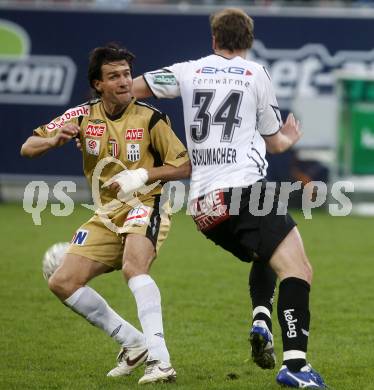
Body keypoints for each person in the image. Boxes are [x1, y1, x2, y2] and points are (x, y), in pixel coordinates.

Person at [129, 8, 326, 388]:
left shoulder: (188, 71)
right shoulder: (255, 73)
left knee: (268, 252)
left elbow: (133, 88)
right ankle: (296, 367)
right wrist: (290, 137)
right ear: (248, 42)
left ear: (214, 39)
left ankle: (261, 319)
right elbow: (275, 141)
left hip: (203, 205)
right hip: (243, 191)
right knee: (299, 269)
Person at [20, 43, 191, 385]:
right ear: (98, 84)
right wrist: (53, 142)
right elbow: (27, 147)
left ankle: (160, 359)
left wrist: (142, 175)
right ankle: (133, 342)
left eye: (127, 74)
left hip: (146, 205)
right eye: (114, 76)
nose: (124, 81)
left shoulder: (150, 117)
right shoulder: (82, 116)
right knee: (62, 282)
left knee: (134, 268)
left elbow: (184, 165)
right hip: (106, 214)